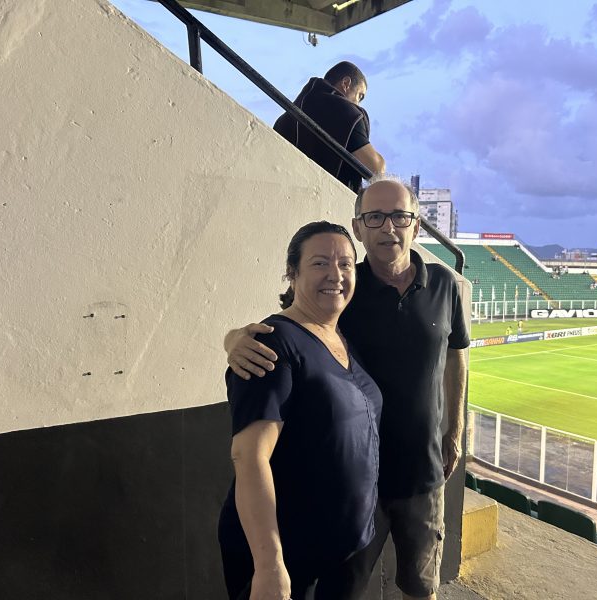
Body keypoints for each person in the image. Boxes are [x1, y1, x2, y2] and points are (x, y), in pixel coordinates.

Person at [225, 177, 469, 600]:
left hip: (423, 472)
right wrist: (233, 339)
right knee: (348, 587)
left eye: (399, 216)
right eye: (374, 217)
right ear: (359, 227)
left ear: (415, 225)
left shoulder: (444, 285)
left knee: (421, 586)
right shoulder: (343, 286)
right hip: (358, 486)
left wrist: (456, 431)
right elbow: (283, 321)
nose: (387, 227)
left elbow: (457, 354)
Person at [218, 222, 383, 600]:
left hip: (347, 547)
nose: (335, 274)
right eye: (320, 263)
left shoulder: (341, 333)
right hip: (292, 556)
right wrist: (269, 564)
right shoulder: (272, 345)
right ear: (292, 274)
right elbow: (249, 456)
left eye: (345, 264)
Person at [274, 61, 385, 191]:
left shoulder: (285, 118)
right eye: (360, 96)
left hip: (284, 193)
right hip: (330, 202)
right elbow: (376, 170)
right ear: (346, 83)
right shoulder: (348, 114)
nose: (358, 104)